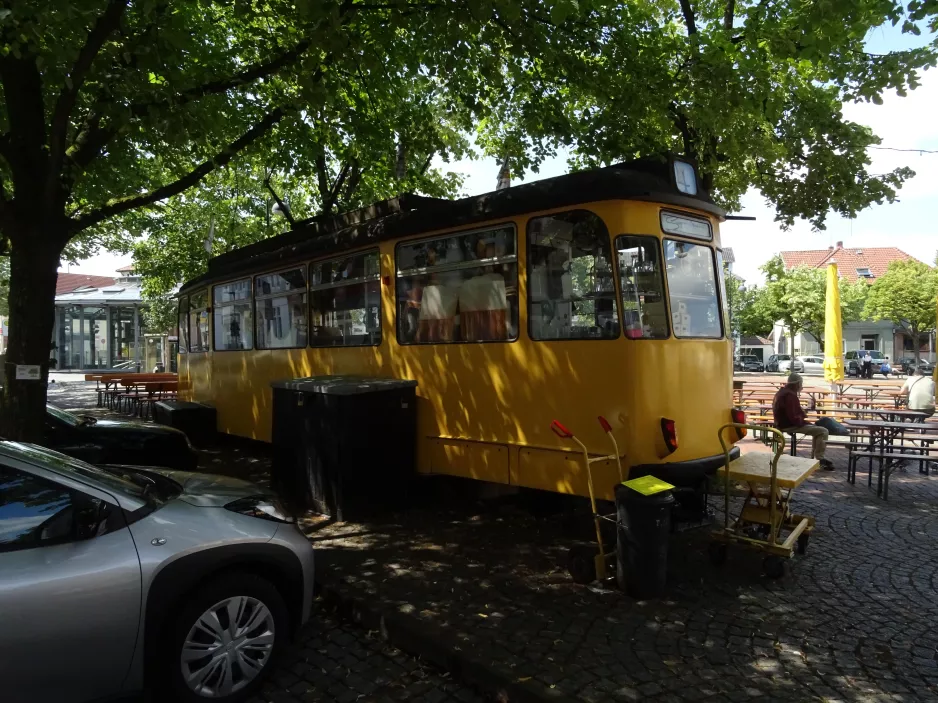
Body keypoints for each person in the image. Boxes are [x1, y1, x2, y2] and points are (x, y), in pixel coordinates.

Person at [773, 373, 834, 470]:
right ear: (797, 384)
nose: (801, 386)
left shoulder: (783, 392)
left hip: (782, 423)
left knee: (817, 430)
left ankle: (815, 459)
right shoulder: (790, 395)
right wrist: (804, 420)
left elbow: (792, 412)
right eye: (801, 384)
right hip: (788, 425)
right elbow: (793, 418)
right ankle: (819, 459)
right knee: (823, 431)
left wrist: (803, 413)